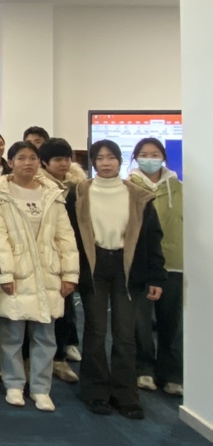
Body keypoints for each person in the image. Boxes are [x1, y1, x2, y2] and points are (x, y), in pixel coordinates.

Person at [67, 140, 167, 419]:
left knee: (125, 335)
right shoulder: (79, 193)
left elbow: (152, 239)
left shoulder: (138, 195)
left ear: (120, 160)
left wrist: (156, 277)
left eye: (111, 157)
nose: (106, 163)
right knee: (95, 332)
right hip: (94, 266)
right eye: (100, 158)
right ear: (93, 162)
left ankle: (125, 394)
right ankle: (96, 391)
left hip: (128, 268)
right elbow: (69, 234)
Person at [0, 142, 79, 412]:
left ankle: (40, 388)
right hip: (16, 271)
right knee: (12, 335)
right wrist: (4, 273)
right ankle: (14, 384)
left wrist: (70, 273)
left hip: (48, 270)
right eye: (21, 158)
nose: (27, 162)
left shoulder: (52, 193)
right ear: (11, 163)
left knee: (45, 335)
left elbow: (65, 237)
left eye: (32, 158)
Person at [128, 138, 183, 397]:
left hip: (173, 262)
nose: (149, 158)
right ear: (135, 157)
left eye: (154, 154)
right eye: (144, 154)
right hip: (139, 264)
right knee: (140, 322)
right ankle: (144, 369)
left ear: (163, 157)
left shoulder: (179, 188)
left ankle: (171, 374)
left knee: (171, 322)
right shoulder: (128, 187)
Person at [39, 137, 88, 384]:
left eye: (67, 159)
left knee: (65, 310)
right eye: (58, 159)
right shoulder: (38, 187)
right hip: (43, 257)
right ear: (44, 162)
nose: (64, 164)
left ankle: (59, 357)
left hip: (70, 256)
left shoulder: (78, 187)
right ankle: (37, 361)